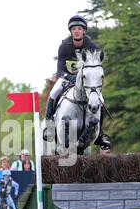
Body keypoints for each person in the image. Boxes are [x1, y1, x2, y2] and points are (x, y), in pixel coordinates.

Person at [44, 15, 111, 150]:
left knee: (100, 100)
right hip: (67, 78)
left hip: (87, 82)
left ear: (84, 31)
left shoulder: (91, 47)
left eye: (79, 28)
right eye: (74, 28)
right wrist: (71, 78)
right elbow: (60, 70)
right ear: (71, 31)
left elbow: (96, 68)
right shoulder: (64, 46)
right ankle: (49, 127)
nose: (76, 31)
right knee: (53, 93)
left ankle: (100, 135)